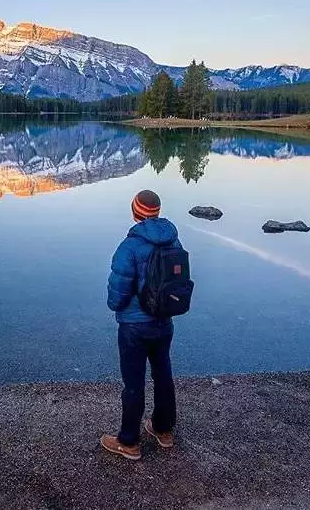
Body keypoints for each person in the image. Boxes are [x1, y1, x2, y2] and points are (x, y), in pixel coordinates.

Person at [100, 189, 181, 461]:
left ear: (135, 212)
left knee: (133, 383)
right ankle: (163, 430)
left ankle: (129, 442)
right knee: (163, 376)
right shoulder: (174, 240)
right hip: (164, 321)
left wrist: (115, 305)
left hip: (134, 326)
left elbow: (117, 293)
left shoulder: (129, 247)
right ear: (156, 212)